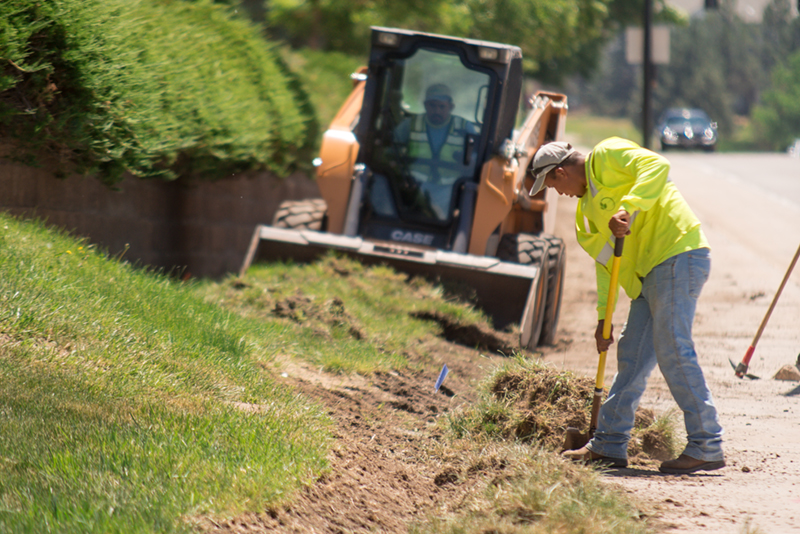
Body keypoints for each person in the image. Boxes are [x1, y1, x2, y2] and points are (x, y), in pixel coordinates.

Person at [529, 137, 725, 475]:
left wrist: (628, 207)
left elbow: (657, 166)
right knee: (631, 354)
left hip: (677, 253)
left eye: (550, 184)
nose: (556, 193)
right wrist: (603, 317)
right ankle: (609, 443)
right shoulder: (585, 215)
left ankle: (706, 444)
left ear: (560, 172)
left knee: (673, 349)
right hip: (647, 278)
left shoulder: (608, 154)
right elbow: (606, 264)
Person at [392, 83, 479, 218]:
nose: (437, 111)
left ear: (451, 107)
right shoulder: (410, 124)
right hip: (414, 186)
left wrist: (466, 162)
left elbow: (476, 160)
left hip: (449, 188)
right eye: (432, 106)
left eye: (441, 106)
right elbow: (391, 149)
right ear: (425, 105)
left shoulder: (465, 127)